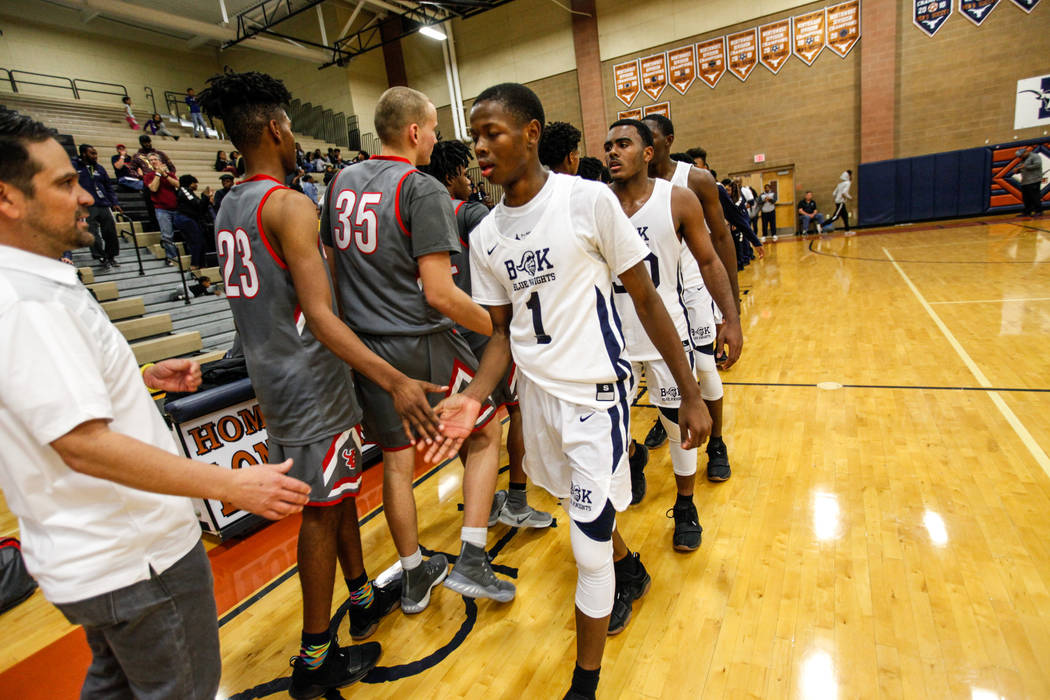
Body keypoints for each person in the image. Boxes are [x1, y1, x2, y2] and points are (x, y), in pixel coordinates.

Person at [0, 106, 311, 700]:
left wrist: (140, 374)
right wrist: (229, 485)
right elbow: (83, 445)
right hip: (132, 558)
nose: (86, 196)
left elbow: (41, 400)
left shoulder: (31, 284)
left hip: (92, 557)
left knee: (115, 686)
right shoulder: (26, 302)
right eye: (64, 183)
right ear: (8, 199)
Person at [426, 83, 710, 700]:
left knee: (584, 547)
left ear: (531, 133)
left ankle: (585, 685)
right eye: (473, 136)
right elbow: (501, 335)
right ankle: (629, 569)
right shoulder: (484, 237)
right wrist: (474, 396)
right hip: (538, 401)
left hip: (595, 400)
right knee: (593, 521)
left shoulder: (586, 201)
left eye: (491, 133)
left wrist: (688, 392)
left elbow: (646, 297)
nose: (479, 147)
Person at [198, 70, 456, 698]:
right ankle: (315, 657)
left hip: (273, 378)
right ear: (276, 129)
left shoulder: (229, 204)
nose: (292, 139)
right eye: (287, 128)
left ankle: (364, 595)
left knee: (336, 494)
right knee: (319, 511)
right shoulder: (288, 204)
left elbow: (253, 308)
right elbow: (320, 315)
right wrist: (394, 378)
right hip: (311, 379)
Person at [322, 86, 515, 614]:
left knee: (397, 464)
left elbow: (333, 270)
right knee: (485, 430)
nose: (435, 137)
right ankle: (472, 557)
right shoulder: (421, 187)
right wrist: (504, 325)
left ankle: (413, 575)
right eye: (431, 128)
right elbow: (440, 293)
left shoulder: (338, 182)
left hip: (368, 353)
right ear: (413, 132)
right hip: (423, 343)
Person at [606, 119, 741, 554]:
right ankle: (635, 457)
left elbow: (709, 260)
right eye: (607, 145)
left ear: (648, 153)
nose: (612, 152)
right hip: (612, 340)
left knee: (676, 423)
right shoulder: (596, 205)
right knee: (610, 430)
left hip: (667, 334)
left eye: (623, 144)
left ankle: (685, 505)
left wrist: (731, 317)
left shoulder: (679, 198)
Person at [419, 138, 553, 528]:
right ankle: (516, 498)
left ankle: (489, 500)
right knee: (518, 412)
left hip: (449, 335)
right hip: (486, 328)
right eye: (462, 173)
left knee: (472, 421)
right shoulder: (472, 212)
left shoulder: (417, 212)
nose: (467, 180)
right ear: (449, 176)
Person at [640, 116, 743, 487]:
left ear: (667, 141)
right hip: (658, 299)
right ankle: (666, 419)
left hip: (695, 291)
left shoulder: (695, 181)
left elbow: (721, 240)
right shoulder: (627, 191)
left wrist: (731, 309)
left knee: (704, 367)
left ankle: (717, 443)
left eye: (649, 138)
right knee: (667, 376)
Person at [73, 143, 123, 270]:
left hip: (103, 204)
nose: (95, 156)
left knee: (110, 231)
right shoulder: (73, 166)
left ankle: (111, 256)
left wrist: (114, 202)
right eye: (92, 153)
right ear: (84, 153)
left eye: (96, 153)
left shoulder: (99, 168)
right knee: (92, 232)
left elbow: (108, 187)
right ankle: (101, 257)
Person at [142, 153, 180, 264]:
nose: (153, 161)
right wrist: (158, 175)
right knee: (167, 235)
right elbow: (153, 188)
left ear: (160, 161)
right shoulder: (148, 176)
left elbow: (178, 185)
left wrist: (165, 175)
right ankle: (172, 257)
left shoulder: (170, 174)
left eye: (155, 159)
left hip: (175, 207)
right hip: (161, 209)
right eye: (151, 160)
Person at [174, 175, 209, 270]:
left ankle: (201, 264)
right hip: (185, 218)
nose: (196, 185)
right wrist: (205, 197)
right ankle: (195, 264)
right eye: (195, 183)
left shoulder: (190, 192)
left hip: (190, 219)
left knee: (201, 241)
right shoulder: (184, 190)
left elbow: (201, 208)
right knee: (196, 241)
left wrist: (205, 198)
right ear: (190, 183)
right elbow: (196, 204)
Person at [1018, 148, 1044, 217]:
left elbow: (1037, 165)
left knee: (1034, 197)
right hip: (1025, 181)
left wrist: (1026, 166)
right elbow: (1021, 167)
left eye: (1021, 155)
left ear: (1025, 152)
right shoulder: (1023, 160)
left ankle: (1038, 211)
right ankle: (1027, 212)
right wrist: (1017, 170)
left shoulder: (1035, 156)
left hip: (1034, 180)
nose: (1021, 157)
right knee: (1026, 198)